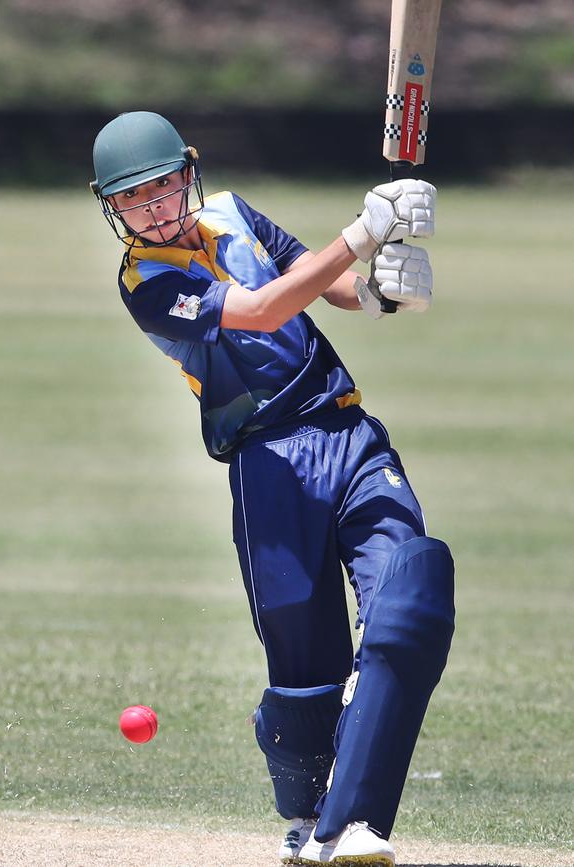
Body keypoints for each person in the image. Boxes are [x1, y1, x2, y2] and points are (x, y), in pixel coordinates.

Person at [91, 111, 455, 867]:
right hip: (269, 465)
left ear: (186, 175)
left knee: (410, 596)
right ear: (112, 208)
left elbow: (315, 282)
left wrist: (378, 291)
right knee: (305, 667)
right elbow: (262, 311)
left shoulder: (231, 213)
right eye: (135, 200)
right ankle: (306, 815)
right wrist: (363, 230)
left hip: (348, 432)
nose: (155, 208)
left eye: (163, 187)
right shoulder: (146, 281)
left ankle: (354, 822)